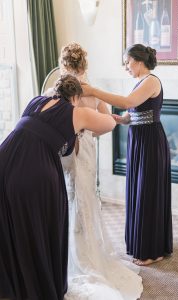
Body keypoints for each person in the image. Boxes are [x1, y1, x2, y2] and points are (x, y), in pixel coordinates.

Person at [0, 74, 116, 300]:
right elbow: (109, 123)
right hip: (34, 171)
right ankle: (37, 285)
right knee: (40, 225)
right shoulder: (77, 112)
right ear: (75, 97)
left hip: (4, 160)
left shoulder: (36, 100)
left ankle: (11, 284)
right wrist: (97, 96)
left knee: (10, 223)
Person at [48, 43, 143, 300]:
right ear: (84, 64)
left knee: (69, 197)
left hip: (64, 149)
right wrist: (92, 130)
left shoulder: (55, 89)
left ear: (64, 63)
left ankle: (71, 254)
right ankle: (89, 251)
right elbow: (105, 122)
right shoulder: (90, 89)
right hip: (86, 146)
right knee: (86, 197)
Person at [82, 43, 173, 266]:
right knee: (140, 190)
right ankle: (143, 245)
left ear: (139, 61)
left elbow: (127, 102)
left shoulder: (151, 80)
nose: (126, 67)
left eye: (127, 62)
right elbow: (134, 111)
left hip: (150, 142)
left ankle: (153, 251)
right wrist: (122, 119)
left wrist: (93, 91)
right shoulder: (140, 82)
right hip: (139, 139)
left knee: (147, 192)